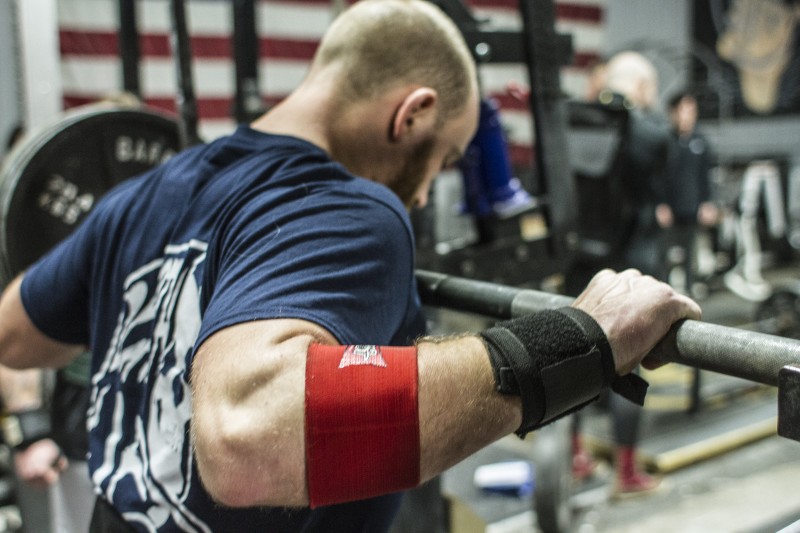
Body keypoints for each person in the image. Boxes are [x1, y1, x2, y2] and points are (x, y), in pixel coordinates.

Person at [0, 1, 701, 531]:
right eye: (443, 159)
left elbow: (16, 335)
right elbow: (247, 437)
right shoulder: (348, 207)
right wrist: (578, 339)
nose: (426, 193)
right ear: (413, 115)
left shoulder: (144, 194)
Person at [568, 50, 673, 497]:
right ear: (645, 89)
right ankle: (626, 474)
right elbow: (660, 177)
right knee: (631, 366)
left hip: (580, 265)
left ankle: (575, 457)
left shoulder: (574, 122)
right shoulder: (650, 132)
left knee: (570, 360)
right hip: (633, 269)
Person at [656, 91, 718, 297]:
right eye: (682, 110)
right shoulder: (665, 140)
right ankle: (662, 293)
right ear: (673, 112)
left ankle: (690, 290)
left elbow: (705, 175)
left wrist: (708, 202)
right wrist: (661, 204)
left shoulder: (700, 142)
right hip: (670, 209)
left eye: (691, 110)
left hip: (692, 207)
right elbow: (658, 176)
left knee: (690, 253)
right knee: (665, 254)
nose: (687, 115)